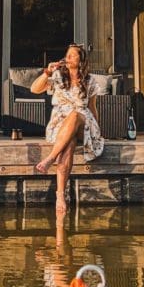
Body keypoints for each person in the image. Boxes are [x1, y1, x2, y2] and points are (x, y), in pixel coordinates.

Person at [30, 43, 104, 214]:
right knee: (69, 146)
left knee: (76, 114)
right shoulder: (57, 76)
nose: (68, 57)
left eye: (73, 55)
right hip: (60, 123)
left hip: (83, 122)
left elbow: (92, 108)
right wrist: (47, 72)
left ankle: (50, 158)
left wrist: (98, 132)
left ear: (81, 60)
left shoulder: (90, 80)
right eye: (67, 54)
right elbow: (34, 89)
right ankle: (60, 195)